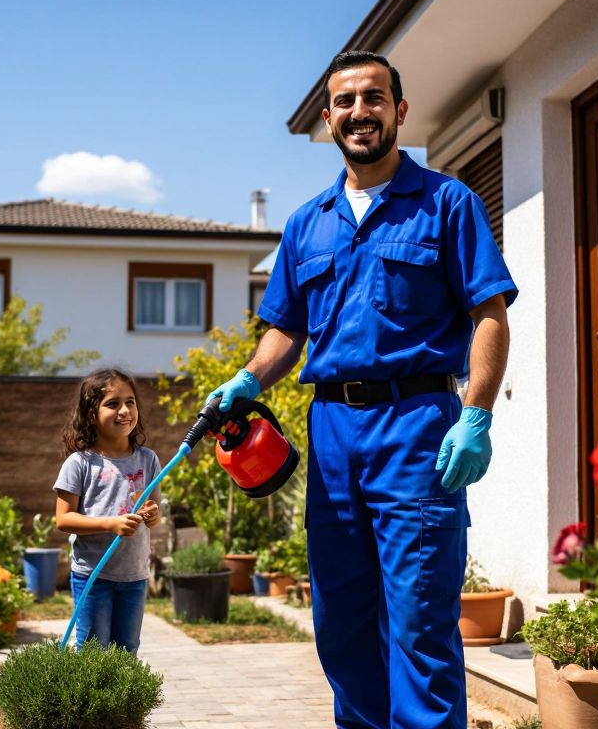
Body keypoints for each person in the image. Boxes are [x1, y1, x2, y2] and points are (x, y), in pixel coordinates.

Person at [209, 50, 516, 727]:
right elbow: (285, 333)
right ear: (328, 119)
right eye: (345, 102)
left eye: (374, 99)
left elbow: (489, 315)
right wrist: (247, 378)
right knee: (341, 626)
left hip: (417, 430)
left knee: (420, 627)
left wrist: (477, 414)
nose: (360, 112)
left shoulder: (446, 203)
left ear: (399, 111)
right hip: (333, 439)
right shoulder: (305, 224)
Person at [54, 368, 163, 653]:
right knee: (93, 651)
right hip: (93, 575)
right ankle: (91, 700)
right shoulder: (80, 463)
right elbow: (64, 519)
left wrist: (153, 514)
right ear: (91, 413)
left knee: (127, 649)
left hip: (134, 575)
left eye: (130, 402)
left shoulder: (148, 460)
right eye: (113, 403)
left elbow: (154, 512)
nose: (124, 410)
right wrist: (110, 524)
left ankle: (123, 701)